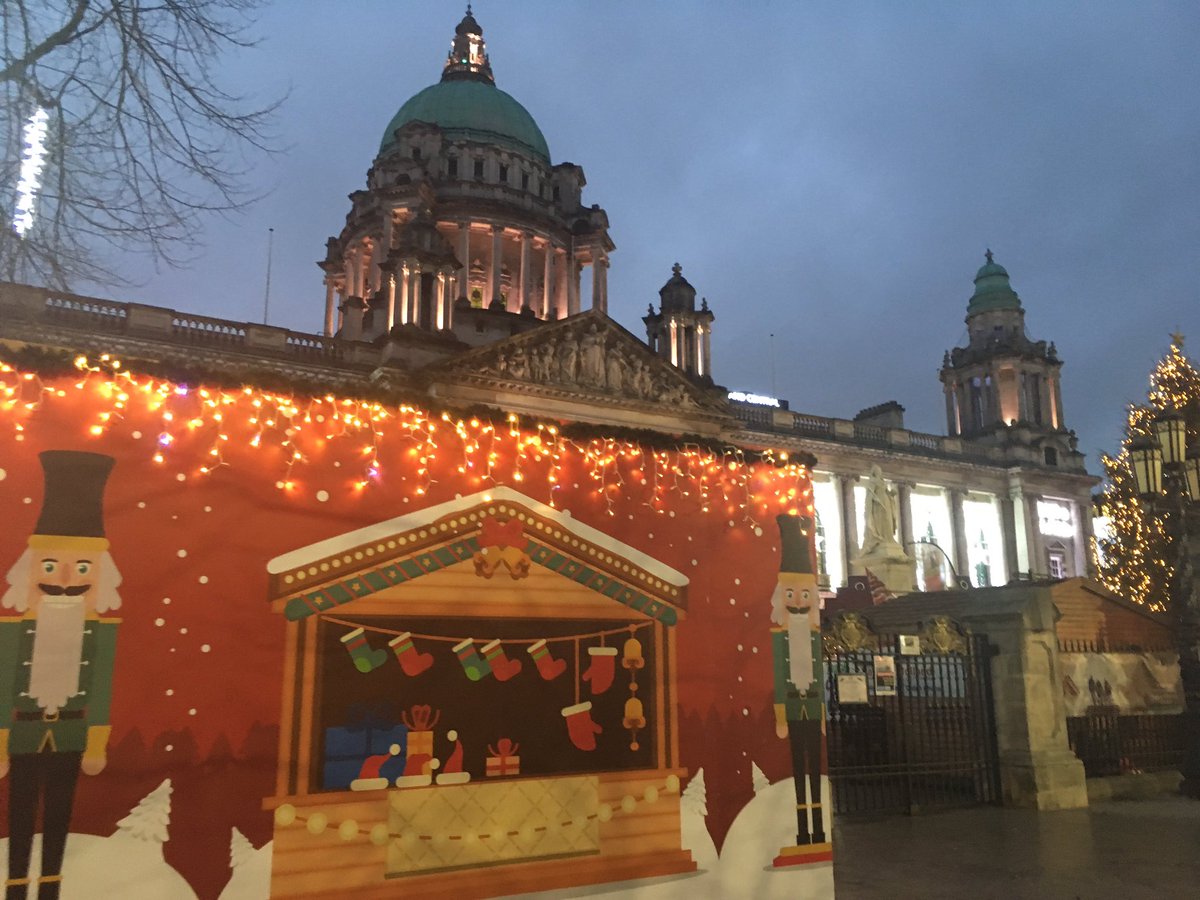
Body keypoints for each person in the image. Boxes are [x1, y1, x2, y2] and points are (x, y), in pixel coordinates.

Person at [1, 451, 122, 900]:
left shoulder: (101, 631)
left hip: (71, 733)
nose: (67, 578)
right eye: (50, 566)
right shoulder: (14, 630)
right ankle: (16, 884)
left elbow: (101, 687)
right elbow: (3, 686)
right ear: (30, 570)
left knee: (59, 815)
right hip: (25, 733)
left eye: (83, 567)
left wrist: (96, 741)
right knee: (19, 813)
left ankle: (50, 884)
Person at [770, 513, 832, 866]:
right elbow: (781, 675)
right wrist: (781, 714)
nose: (797, 599)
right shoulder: (780, 636)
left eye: (804, 593)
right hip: (793, 709)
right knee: (797, 769)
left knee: (815, 770)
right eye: (791, 593)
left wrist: (821, 710)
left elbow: (819, 675)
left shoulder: (813, 634)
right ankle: (802, 831)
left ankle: (819, 830)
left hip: (811, 707)